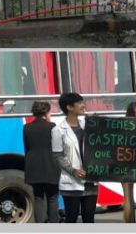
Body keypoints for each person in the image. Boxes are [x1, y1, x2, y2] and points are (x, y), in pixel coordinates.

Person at [51, 92, 98, 223]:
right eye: (80, 103)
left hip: (90, 181)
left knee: (89, 219)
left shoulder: (88, 125)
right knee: (71, 219)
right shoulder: (58, 130)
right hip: (71, 183)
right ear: (69, 107)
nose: (83, 106)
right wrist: (73, 171)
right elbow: (58, 155)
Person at [23, 101, 61, 223]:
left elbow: (27, 148)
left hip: (33, 166)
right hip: (51, 165)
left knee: (38, 197)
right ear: (46, 113)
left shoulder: (26, 127)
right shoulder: (52, 126)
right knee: (53, 197)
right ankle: (53, 224)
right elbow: (57, 147)